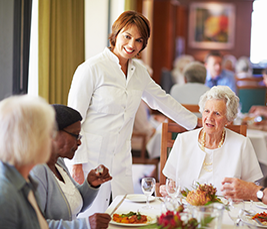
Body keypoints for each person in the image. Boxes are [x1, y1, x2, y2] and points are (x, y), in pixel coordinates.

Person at [67, 10, 200, 215]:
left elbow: (162, 100)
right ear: (116, 34)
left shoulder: (139, 73)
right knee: (90, 216)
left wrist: (195, 122)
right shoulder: (91, 69)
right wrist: (76, 163)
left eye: (138, 40)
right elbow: (74, 118)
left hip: (121, 158)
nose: (131, 45)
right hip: (90, 158)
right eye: (127, 36)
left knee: (124, 214)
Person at [160, 86, 262, 196]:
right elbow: (170, 184)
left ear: (228, 120)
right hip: (186, 209)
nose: (209, 117)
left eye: (217, 113)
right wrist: (166, 189)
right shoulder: (183, 140)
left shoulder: (241, 144)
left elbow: (252, 188)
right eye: (207, 111)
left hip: (227, 211)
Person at [30, 104, 112, 229]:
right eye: (75, 135)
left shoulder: (58, 163)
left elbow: (74, 206)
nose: (79, 142)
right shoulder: (37, 170)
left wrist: (90, 184)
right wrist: (85, 225)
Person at [0, 95, 56, 229]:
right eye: (49, 134)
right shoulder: (5, 196)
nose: (52, 141)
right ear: (31, 139)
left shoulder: (27, 181)